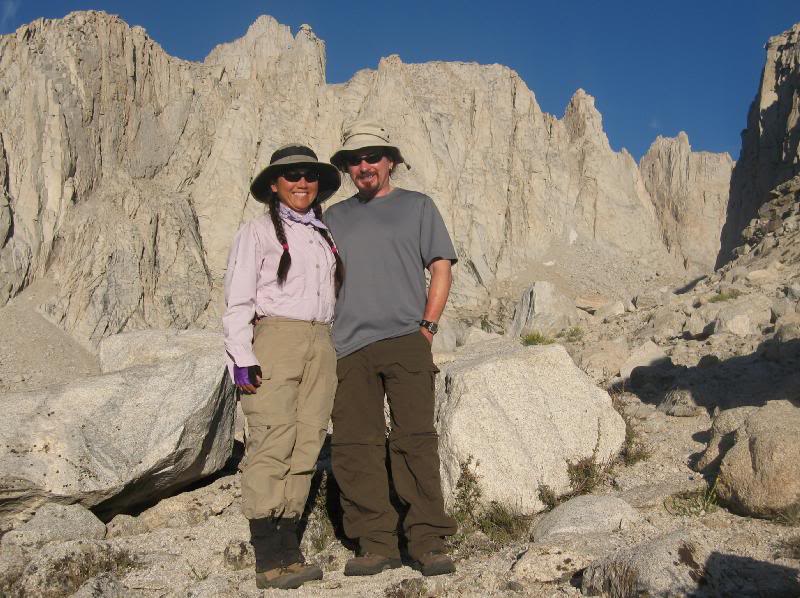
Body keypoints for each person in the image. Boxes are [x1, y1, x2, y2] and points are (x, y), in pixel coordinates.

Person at [324, 120, 458, 577]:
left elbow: (441, 267)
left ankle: (427, 539)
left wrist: (427, 326)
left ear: (390, 161)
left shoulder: (418, 206)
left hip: (407, 340)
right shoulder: (333, 218)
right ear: (345, 168)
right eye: (354, 160)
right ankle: (374, 542)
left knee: (415, 439)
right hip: (349, 347)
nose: (364, 166)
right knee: (354, 445)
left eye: (372, 157)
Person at [222, 144, 343, 590]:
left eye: (309, 175)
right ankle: (267, 556)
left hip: (321, 340)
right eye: (291, 175)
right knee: (272, 437)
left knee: (308, 438)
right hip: (276, 338)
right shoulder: (255, 232)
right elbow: (238, 298)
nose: (302, 182)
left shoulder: (322, 233)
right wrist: (242, 357)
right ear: (274, 184)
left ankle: (290, 550)